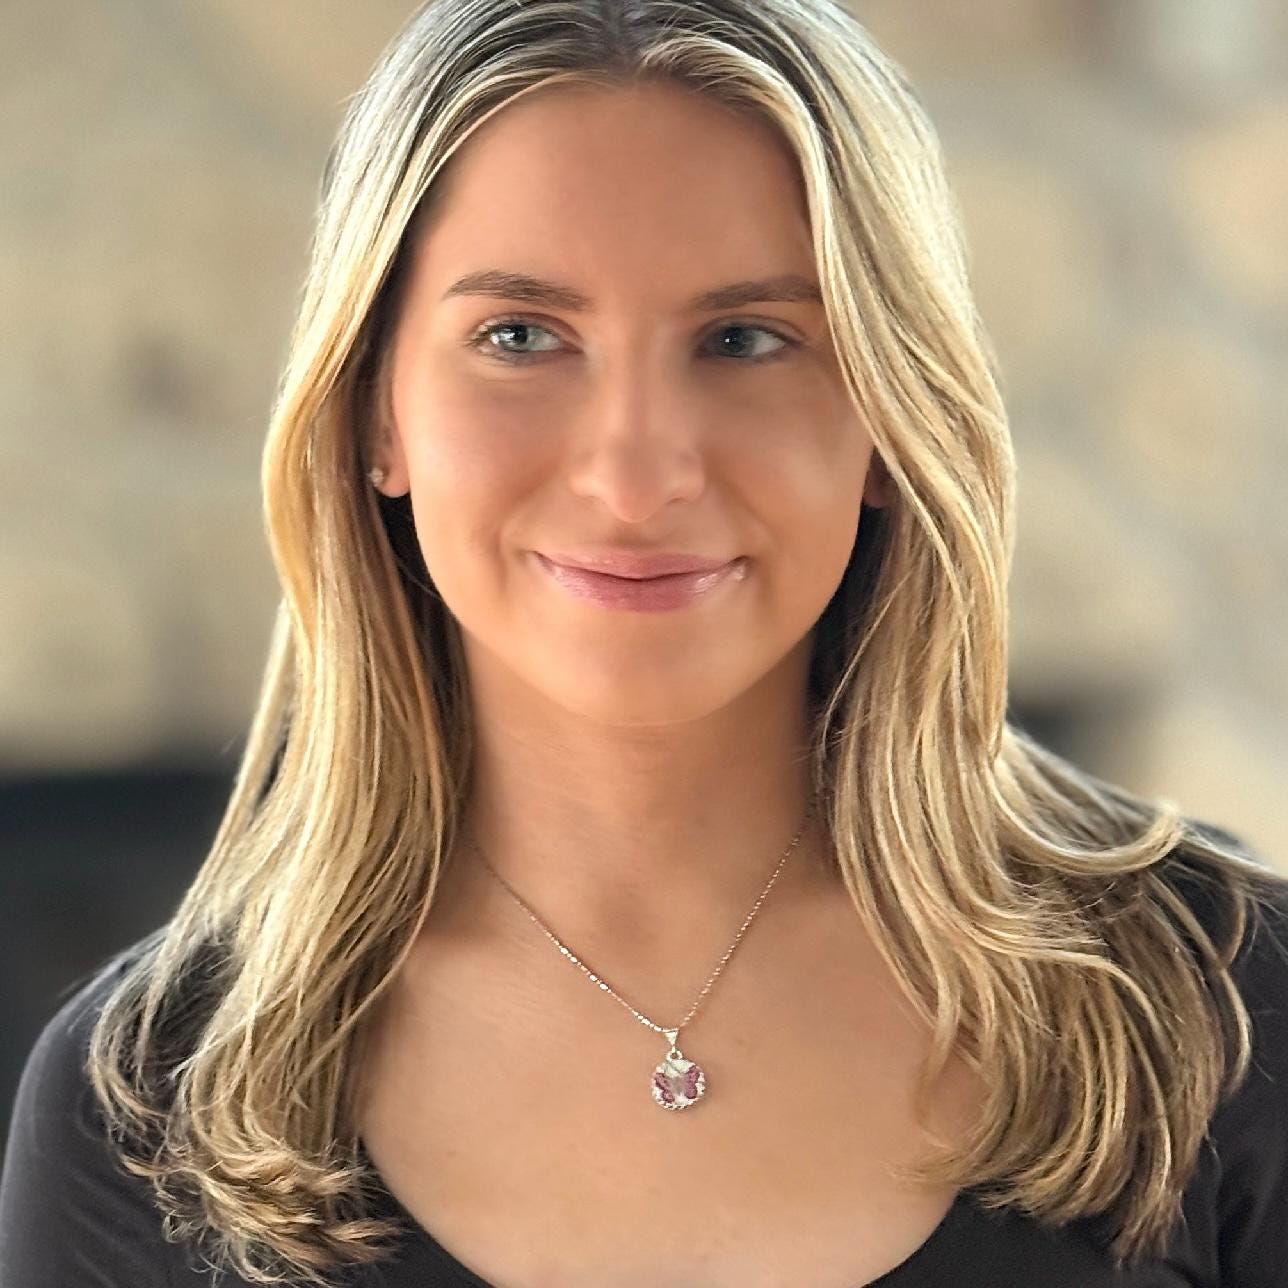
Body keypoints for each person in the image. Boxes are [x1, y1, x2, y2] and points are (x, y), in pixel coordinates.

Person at [2, 1, 1286, 1285]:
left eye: (744, 339)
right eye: (519, 337)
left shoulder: (1226, 1006)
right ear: (373, 413)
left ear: (891, 422)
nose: (633, 474)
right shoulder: (142, 1113)